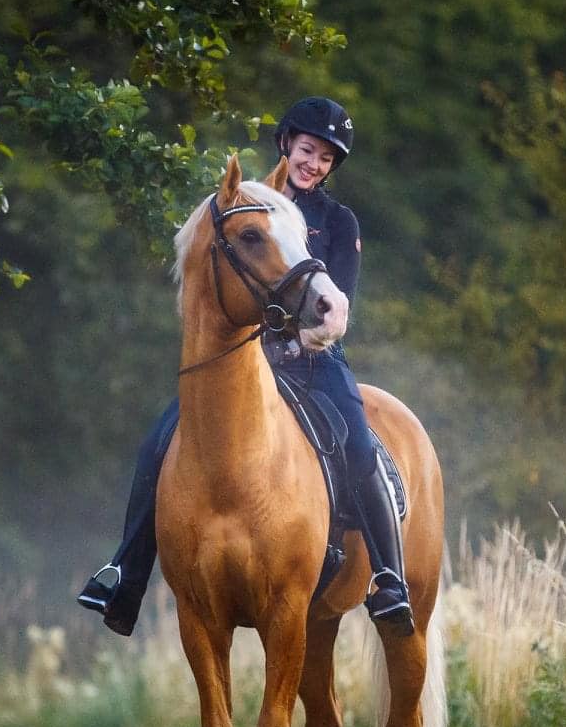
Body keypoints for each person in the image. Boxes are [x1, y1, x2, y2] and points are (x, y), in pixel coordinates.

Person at [75, 96, 414, 637]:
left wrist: (305, 337)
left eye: (326, 158)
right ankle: (126, 571)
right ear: (287, 144)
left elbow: (337, 303)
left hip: (313, 358)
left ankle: (389, 579)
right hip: (245, 357)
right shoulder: (253, 204)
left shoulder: (337, 220)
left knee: (356, 439)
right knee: (161, 439)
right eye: (308, 149)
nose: (314, 164)